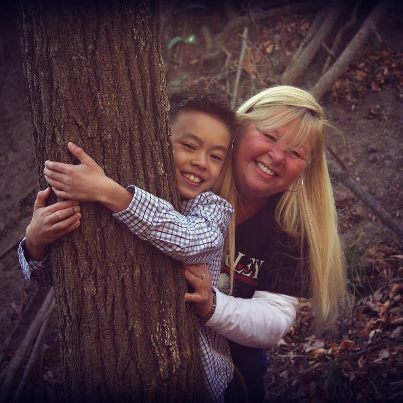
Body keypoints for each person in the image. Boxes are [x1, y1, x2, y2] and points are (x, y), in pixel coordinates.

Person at [19, 90, 238, 402]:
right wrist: (35, 242)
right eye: (189, 146)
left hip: (197, 377)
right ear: (158, 138)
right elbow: (48, 280)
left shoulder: (213, 208)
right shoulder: (138, 185)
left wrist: (110, 193)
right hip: (107, 363)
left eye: (216, 156)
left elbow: (190, 242)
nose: (201, 162)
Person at [183, 85, 347, 402]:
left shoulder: (293, 227)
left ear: (305, 168)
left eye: (296, 153)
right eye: (270, 136)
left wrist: (212, 304)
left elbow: (273, 320)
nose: (277, 156)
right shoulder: (191, 172)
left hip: (237, 362)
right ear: (239, 127)